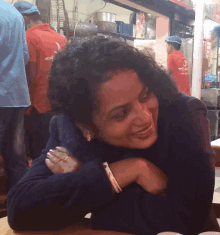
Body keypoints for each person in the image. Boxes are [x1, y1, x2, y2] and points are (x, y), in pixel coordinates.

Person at [7, 36, 215, 235]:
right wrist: (126, 171)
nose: (144, 117)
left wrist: (84, 178)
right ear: (86, 127)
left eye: (145, 95)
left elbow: (186, 218)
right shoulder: (68, 128)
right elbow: (20, 210)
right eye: (120, 113)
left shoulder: (183, 114)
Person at [14, 1, 67, 160]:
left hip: (39, 107)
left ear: (23, 19)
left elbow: (31, 75)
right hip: (59, 106)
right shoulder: (61, 39)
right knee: (57, 154)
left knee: (39, 155)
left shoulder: (30, 37)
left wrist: (26, 106)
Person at [0, 0, 31, 192]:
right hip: (17, 95)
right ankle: (18, 206)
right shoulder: (14, 14)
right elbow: (25, 55)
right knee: (16, 155)